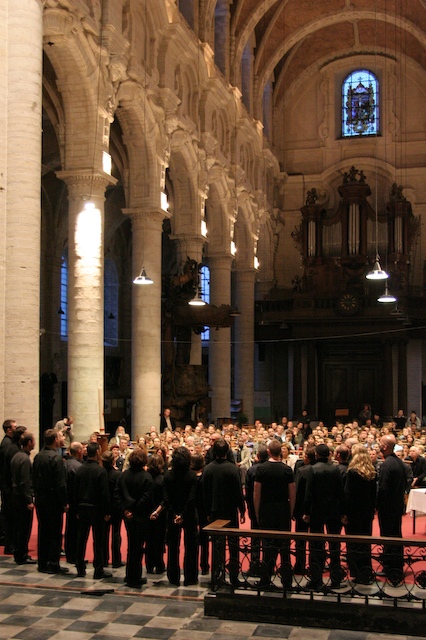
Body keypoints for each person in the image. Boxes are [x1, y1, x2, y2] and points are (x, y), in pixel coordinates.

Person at [203, 438, 246, 588]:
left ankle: (217, 576)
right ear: (227, 452)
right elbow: (238, 492)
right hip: (230, 511)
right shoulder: (233, 469)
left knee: (217, 545)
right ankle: (234, 576)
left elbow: (205, 493)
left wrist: (207, 511)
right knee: (233, 544)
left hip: (214, 511)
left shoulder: (208, 469)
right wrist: (242, 509)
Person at [152, 447, 198, 587]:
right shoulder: (192, 476)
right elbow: (192, 498)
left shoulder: (168, 475)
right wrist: (183, 514)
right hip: (188, 514)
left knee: (173, 546)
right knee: (191, 546)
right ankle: (190, 576)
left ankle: (173, 576)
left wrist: (174, 513)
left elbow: (166, 498)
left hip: (172, 513)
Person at [254, 438, 295, 589]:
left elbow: (256, 493)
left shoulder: (261, 469)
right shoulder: (287, 470)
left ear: (268, 452)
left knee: (267, 545)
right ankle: (287, 580)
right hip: (283, 509)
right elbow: (292, 493)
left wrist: (257, 512)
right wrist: (290, 511)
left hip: (266, 509)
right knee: (284, 546)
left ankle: (265, 579)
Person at [303, 444, 346, 590]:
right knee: (334, 545)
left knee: (316, 545)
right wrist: (343, 511)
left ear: (316, 454)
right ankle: (336, 579)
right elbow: (340, 492)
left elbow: (308, 493)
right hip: (333, 510)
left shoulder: (312, 469)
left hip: (317, 510)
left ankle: (316, 579)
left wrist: (307, 512)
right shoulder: (335, 469)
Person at [116, 448, 153, 588]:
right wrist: (135, 510)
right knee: (138, 546)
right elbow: (147, 498)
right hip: (141, 516)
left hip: (128, 515)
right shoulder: (146, 476)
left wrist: (125, 510)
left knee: (132, 545)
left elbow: (117, 494)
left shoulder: (124, 475)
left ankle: (130, 574)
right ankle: (135, 576)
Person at [33, 428, 69, 574]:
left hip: (40, 498)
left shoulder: (38, 456)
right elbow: (60, 483)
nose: (61, 439)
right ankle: (53, 563)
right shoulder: (56, 458)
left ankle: (42, 563)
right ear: (55, 440)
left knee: (43, 530)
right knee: (54, 532)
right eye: (59, 437)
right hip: (53, 500)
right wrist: (64, 501)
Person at [74, 442, 111, 579]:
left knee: (81, 538)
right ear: (97, 453)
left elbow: (75, 491)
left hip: (82, 507)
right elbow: (104, 494)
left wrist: (76, 508)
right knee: (98, 540)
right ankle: (98, 569)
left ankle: (80, 567)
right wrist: (107, 511)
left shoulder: (80, 469)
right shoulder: (100, 471)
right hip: (97, 509)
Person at [343, 445, 377, 583]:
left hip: (354, 512)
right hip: (367, 512)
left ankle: (356, 572)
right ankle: (366, 570)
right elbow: (374, 495)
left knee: (354, 542)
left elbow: (348, 494)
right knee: (365, 542)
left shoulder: (352, 472)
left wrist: (345, 513)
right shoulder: (372, 472)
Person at [376, 435, 407, 581]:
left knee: (388, 536)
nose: (378, 444)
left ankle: (389, 566)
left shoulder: (386, 465)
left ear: (385, 446)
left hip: (387, 507)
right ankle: (397, 565)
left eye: (380, 442)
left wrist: (377, 504)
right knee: (396, 534)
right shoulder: (399, 462)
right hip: (396, 504)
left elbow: (383, 488)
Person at [10, 431, 36, 565]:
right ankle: (22, 554)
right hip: (22, 498)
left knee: (18, 527)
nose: (35, 443)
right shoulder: (25, 459)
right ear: (29, 442)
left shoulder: (16, 456)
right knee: (24, 527)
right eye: (33, 440)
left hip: (15, 495)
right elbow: (25, 481)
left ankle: (18, 553)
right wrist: (29, 500)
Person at [245, 445, 268, 576]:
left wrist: (249, 507)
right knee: (267, 537)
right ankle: (267, 566)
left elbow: (248, 492)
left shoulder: (252, 470)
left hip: (254, 507)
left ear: (258, 456)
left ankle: (254, 564)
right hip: (269, 507)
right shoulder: (271, 469)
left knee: (255, 537)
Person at [293, 446, 316, 574]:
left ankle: (300, 566)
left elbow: (297, 492)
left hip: (302, 509)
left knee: (300, 540)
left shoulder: (302, 471)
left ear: (306, 457)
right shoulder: (318, 470)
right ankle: (315, 566)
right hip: (316, 509)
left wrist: (294, 510)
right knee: (315, 540)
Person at [101, 450, 123, 569]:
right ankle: (116, 560)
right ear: (113, 461)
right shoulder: (117, 474)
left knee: (103, 534)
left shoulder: (100, 473)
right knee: (116, 533)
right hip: (115, 507)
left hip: (103, 507)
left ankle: (103, 559)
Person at [145, 453, 166, 575]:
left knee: (149, 539)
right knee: (159, 539)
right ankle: (159, 565)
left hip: (147, 512)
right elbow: (165, 499)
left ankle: (149, 565)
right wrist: (157, 511)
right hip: (159, 513)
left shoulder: (145, 478)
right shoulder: (162, 479)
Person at [64, 441, 83, 564]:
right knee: (76, 530)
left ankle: (69, 553)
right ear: (79, 451)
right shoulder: (78, 467)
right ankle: (74, 555)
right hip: (75, 501)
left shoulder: (64, 464)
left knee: (69, 528)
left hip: (67, 500)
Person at [0, 419, 17, 552]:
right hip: (7, 484)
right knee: (8, 512)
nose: (16, 429)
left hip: (6, 483)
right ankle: (5, 538)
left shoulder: (9, 443)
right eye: (15, 427)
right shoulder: (7, 445)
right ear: (9, 429)